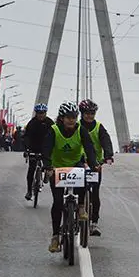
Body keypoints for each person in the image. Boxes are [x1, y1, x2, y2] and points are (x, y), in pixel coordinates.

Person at [42, 102, 98, 253]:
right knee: (58, 202)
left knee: (84, 176)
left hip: (75, 164)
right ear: (62, 118)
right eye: (68, 117)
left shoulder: (81, 130)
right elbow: (46, 150)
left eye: (74, 117)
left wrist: (93, 165)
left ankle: (80, 206)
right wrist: (47, 166)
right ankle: (55, 237)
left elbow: (89, 148)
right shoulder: (53, 131)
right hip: (57, 168)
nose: (71, 120)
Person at [78, 99, 114, 236]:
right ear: (82, 113)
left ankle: (94, 223)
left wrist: (108, 155)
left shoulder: (99, 127)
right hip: (79, 162)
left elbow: (106, 141)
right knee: (73, 187)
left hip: (95, 164)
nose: (89, 116)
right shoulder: (76, 126)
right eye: (87, 113)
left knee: (95, 193)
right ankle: (70, 211)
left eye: (92, 113)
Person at [23, 104, 54, 201]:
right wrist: (27, 149)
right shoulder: (32, 123)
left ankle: (46, 176)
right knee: (31, 170)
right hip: (34, 149)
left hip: (46, 149)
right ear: (36, 113)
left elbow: (55, 136)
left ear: (46, 113)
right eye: (39, 113)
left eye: (43, 113)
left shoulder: (50, 123)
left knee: (48, 166)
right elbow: (26, 137)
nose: (41, 115)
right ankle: (29, 191)